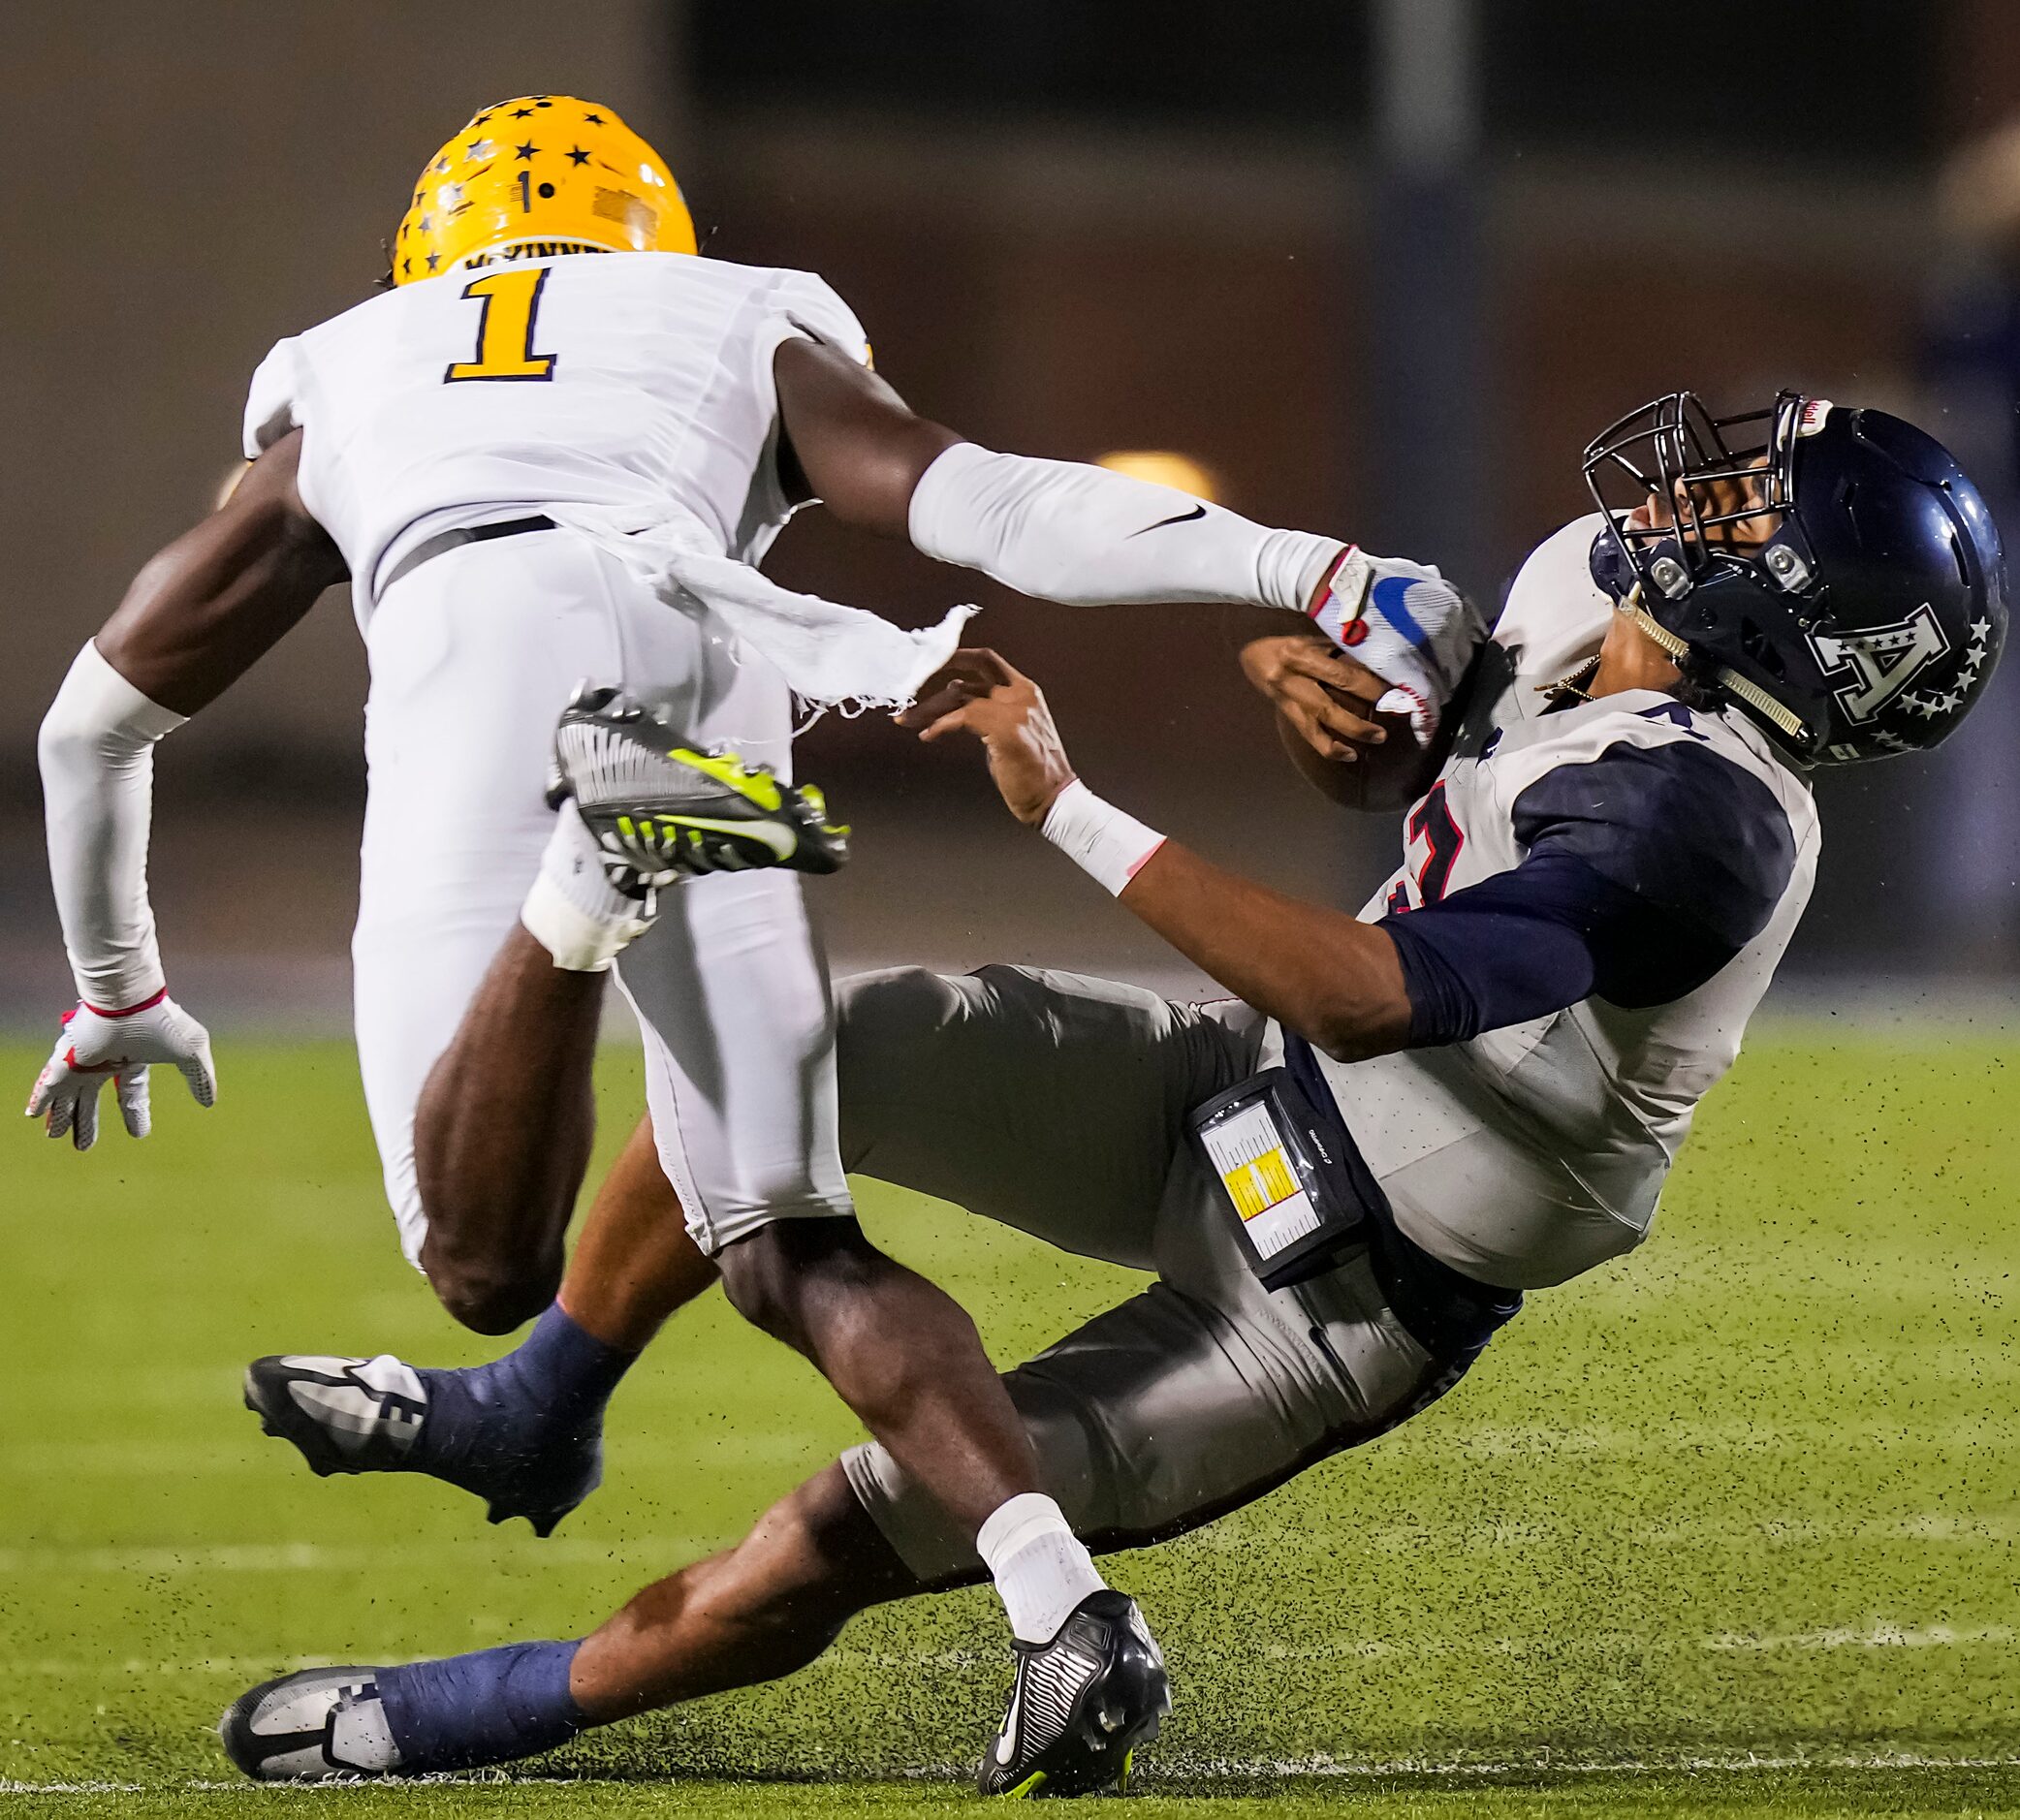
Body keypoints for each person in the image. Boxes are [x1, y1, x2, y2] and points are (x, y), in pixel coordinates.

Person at [220, 392, 2006, 1787]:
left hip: (1346, 1295)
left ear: (1796, 625)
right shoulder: (1580, 596)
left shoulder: (1710, 821)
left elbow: (1379, 992)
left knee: (841, 1532)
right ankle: (544, 1398)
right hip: (1245, 1085)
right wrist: (1311, 698)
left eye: (1758, 511)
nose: (1704, 494)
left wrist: (1061, 801)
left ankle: (475, 1717)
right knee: (803, 1050)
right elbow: (1427, 752)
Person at [27, 97, 1483, 1796]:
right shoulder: (725, 315)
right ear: (651, 233)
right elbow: (985, 504)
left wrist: (121, 988)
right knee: (784, 1239)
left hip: (480, 648)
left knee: (484, 1258)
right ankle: (1063, 1612)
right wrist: (1305, 565)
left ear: (431, 250)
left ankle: (588, 877)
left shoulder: (354, 362)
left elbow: (88, 728)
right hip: (713, 659)